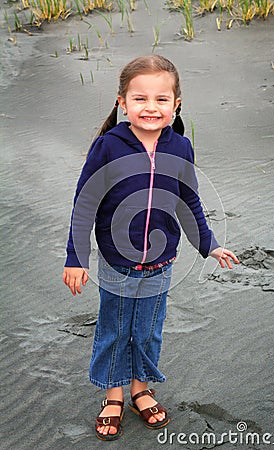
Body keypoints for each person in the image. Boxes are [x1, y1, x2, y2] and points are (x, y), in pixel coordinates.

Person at [62, 55, 239, 441]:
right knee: (115, 328)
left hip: (162, 262)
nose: (150, 107)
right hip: (116, 261)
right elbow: (85, 202)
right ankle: (114, 395)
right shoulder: (108, 147)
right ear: (122, 102)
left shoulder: (180, 147)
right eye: (140, 98)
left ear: (176, 105)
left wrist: (209, 244)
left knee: (147, 331)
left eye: (161, 99)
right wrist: (76, 257)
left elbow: (188, 200)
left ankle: (141, 389)